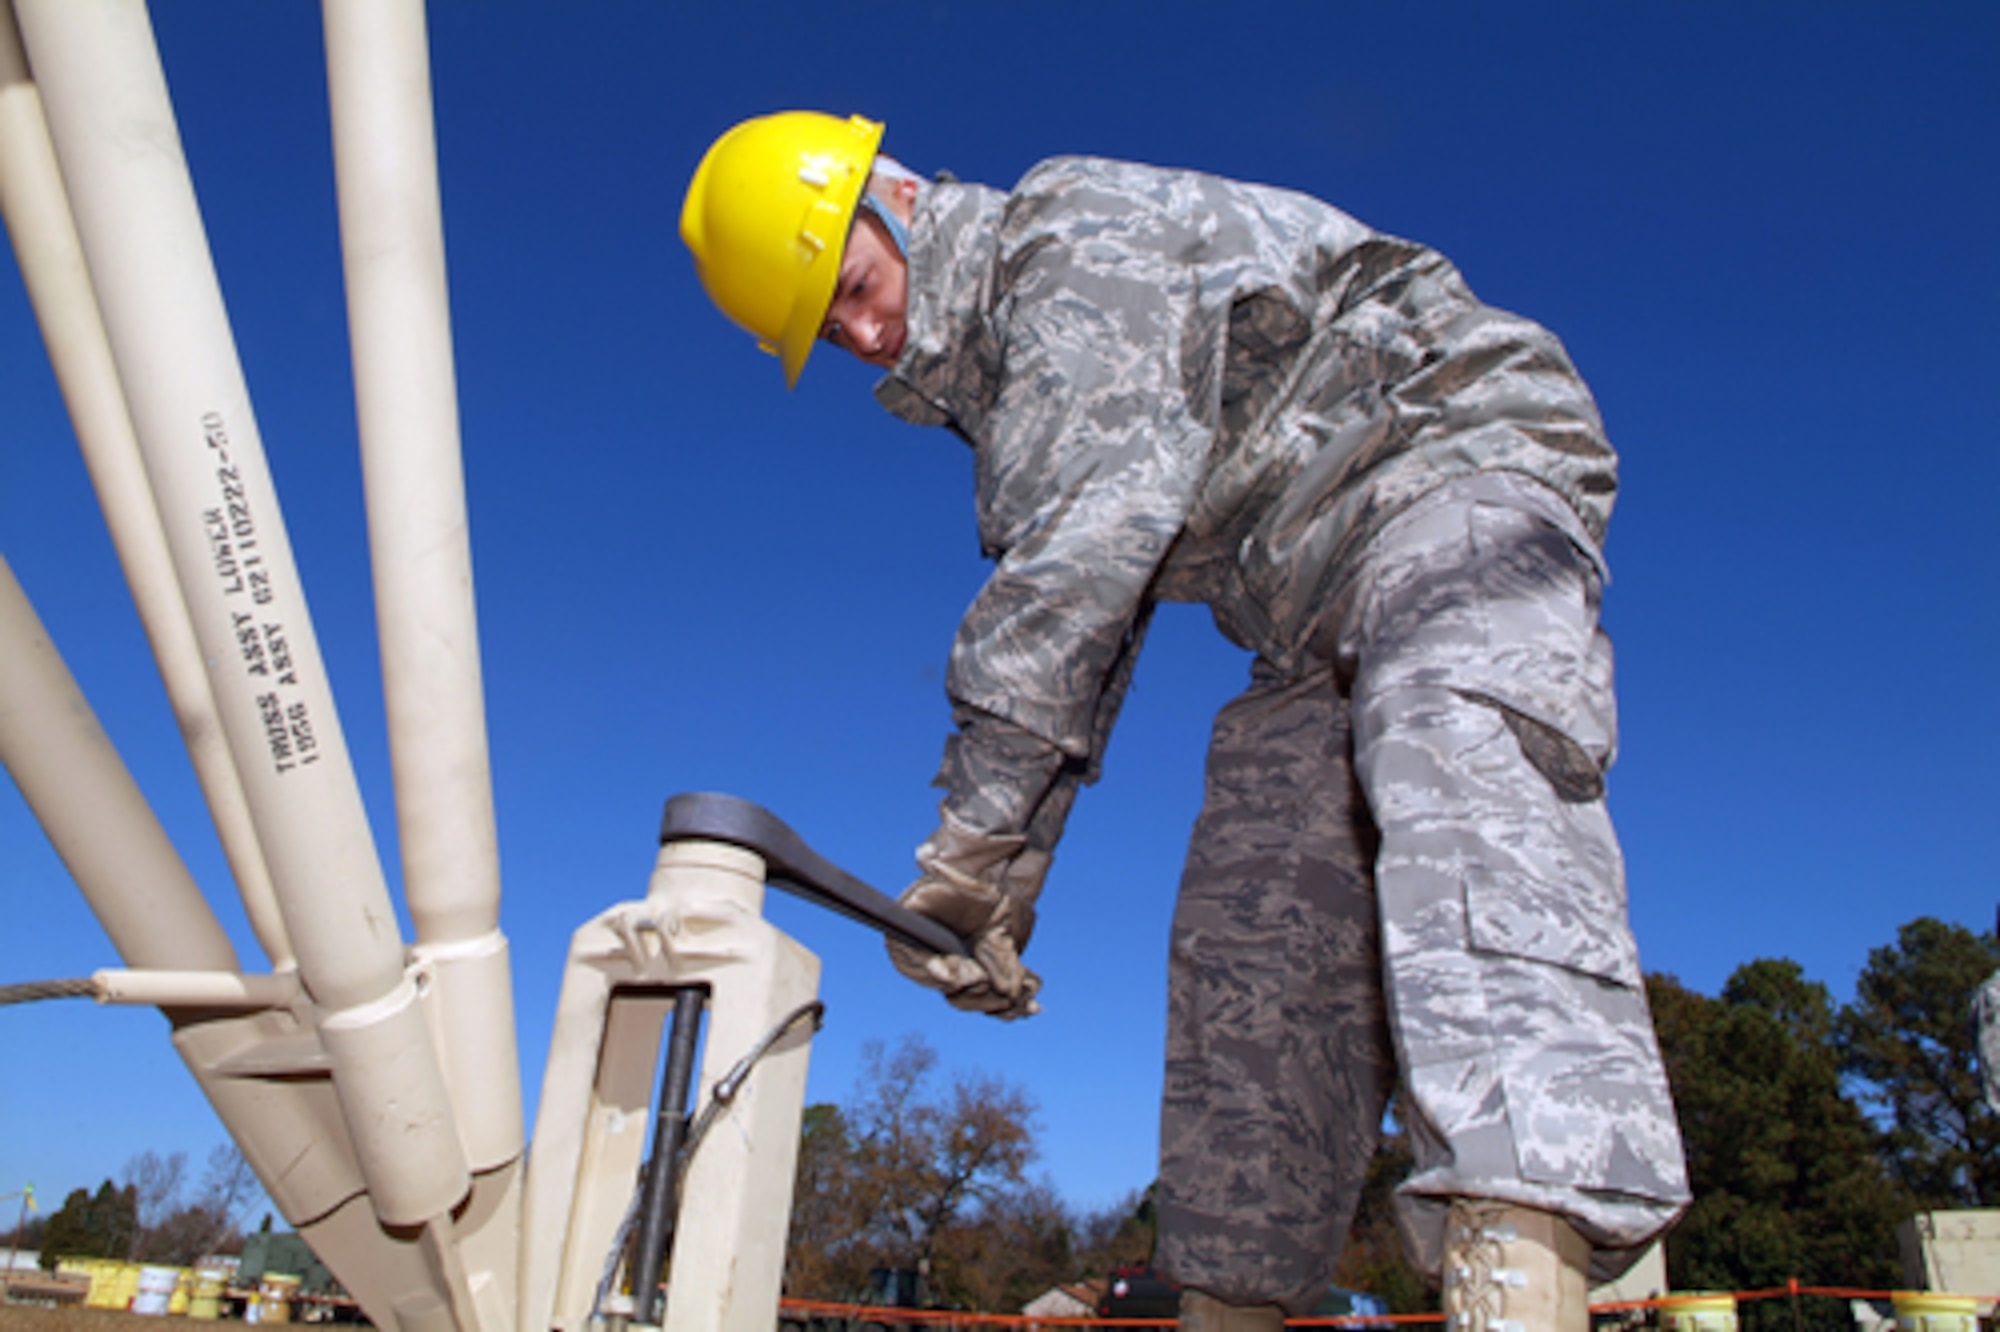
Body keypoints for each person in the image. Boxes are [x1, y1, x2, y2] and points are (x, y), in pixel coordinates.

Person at [680, 111, 1690, 1332]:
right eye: (829, 335)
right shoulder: (1010, 399)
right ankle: (1227, 1303)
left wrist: (969, 841)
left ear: (890, 199)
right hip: (1301, 603)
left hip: (1448, 461)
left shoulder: (1065, 234)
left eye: (851, 290)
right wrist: (997, 891)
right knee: (1250, 916)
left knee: (1445, 736)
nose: (865, 335)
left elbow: (1074, 566)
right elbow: (1090, 629)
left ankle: (1518, 1263)